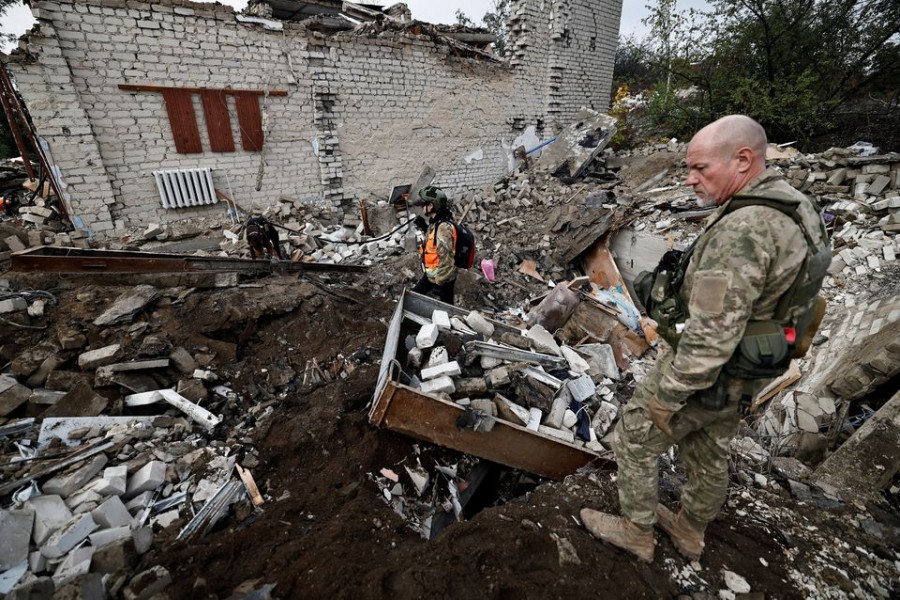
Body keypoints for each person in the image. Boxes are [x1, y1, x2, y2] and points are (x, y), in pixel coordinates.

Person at [580, 115, 831, 563]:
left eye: (700, 168)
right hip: (750, 365)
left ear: (742, 160)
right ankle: (690, 532)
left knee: (634, 440)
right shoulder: (793, 207)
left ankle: (636, 533)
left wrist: (669, 394)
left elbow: (711, 336)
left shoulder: (744, 231)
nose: (690, 180)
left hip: (709, 370)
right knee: (710, 450)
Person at [411, 186, 458, 305]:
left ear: (431, 206)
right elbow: (434, 241)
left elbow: (447, 260)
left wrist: (438, 282)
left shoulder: (443, 227)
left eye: (423, 205)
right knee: (446, 303)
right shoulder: (437, 222)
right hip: (433, 273)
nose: (422, 209)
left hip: (440, 276)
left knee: (446, 305)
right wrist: (423, 226)